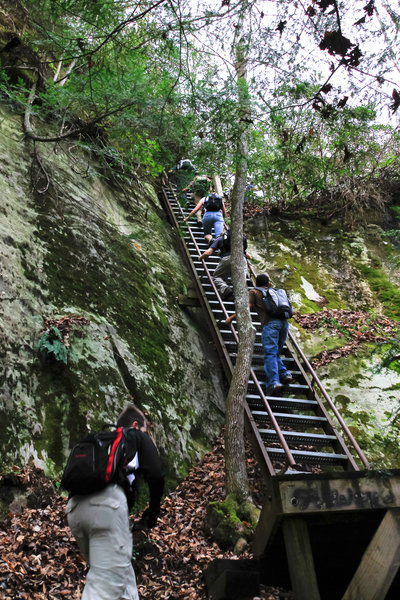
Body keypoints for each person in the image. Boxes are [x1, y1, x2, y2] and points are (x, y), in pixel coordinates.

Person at [66, 405, 164, 600]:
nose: (147, 435)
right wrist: (151, 515)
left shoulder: (102, 444)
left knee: (122, 579)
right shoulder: (136, 435)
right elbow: (156, 475)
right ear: (136, 425)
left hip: (75, 510)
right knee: (105, 586)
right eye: (146, 430)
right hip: (106, 508)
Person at [226, 273, 293, 395]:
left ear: (256, 283)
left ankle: (274, 382)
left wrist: (231, 318)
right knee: (276, 351)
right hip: (284, 324)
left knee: (270, 353)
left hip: (270, 325)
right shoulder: (274, 292)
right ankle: (284, 373)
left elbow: (247, 308)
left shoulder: (254, 292)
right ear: (268, 284)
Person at [199, 229, 250, 300]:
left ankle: (225, 288)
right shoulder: (238, 241)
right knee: (241, 280)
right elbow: (249, 256)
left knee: (217, 277)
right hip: (242, 259)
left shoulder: (220, 239)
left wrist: (200, 257)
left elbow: (208, 253)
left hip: (228, 258)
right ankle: (240, 297)